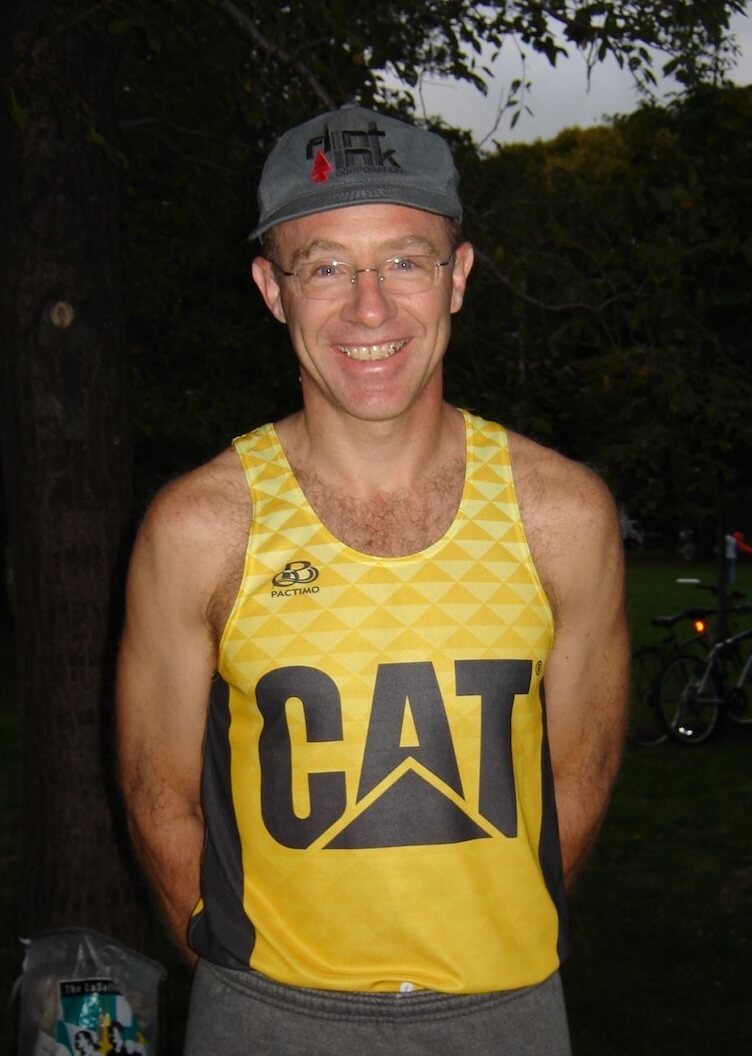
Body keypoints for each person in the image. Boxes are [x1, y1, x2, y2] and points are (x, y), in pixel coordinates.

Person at [117, 104, 629, 1055]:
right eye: (325, 268)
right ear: (272, 290)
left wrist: (493, 945)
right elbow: (158, 793)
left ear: (457, 277)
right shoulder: (199, 529)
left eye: (404, 261)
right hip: (265, 1017)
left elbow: (580, 769)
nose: (369, 309)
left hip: (507, 1015)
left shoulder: (564, 517)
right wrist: (240, 974)